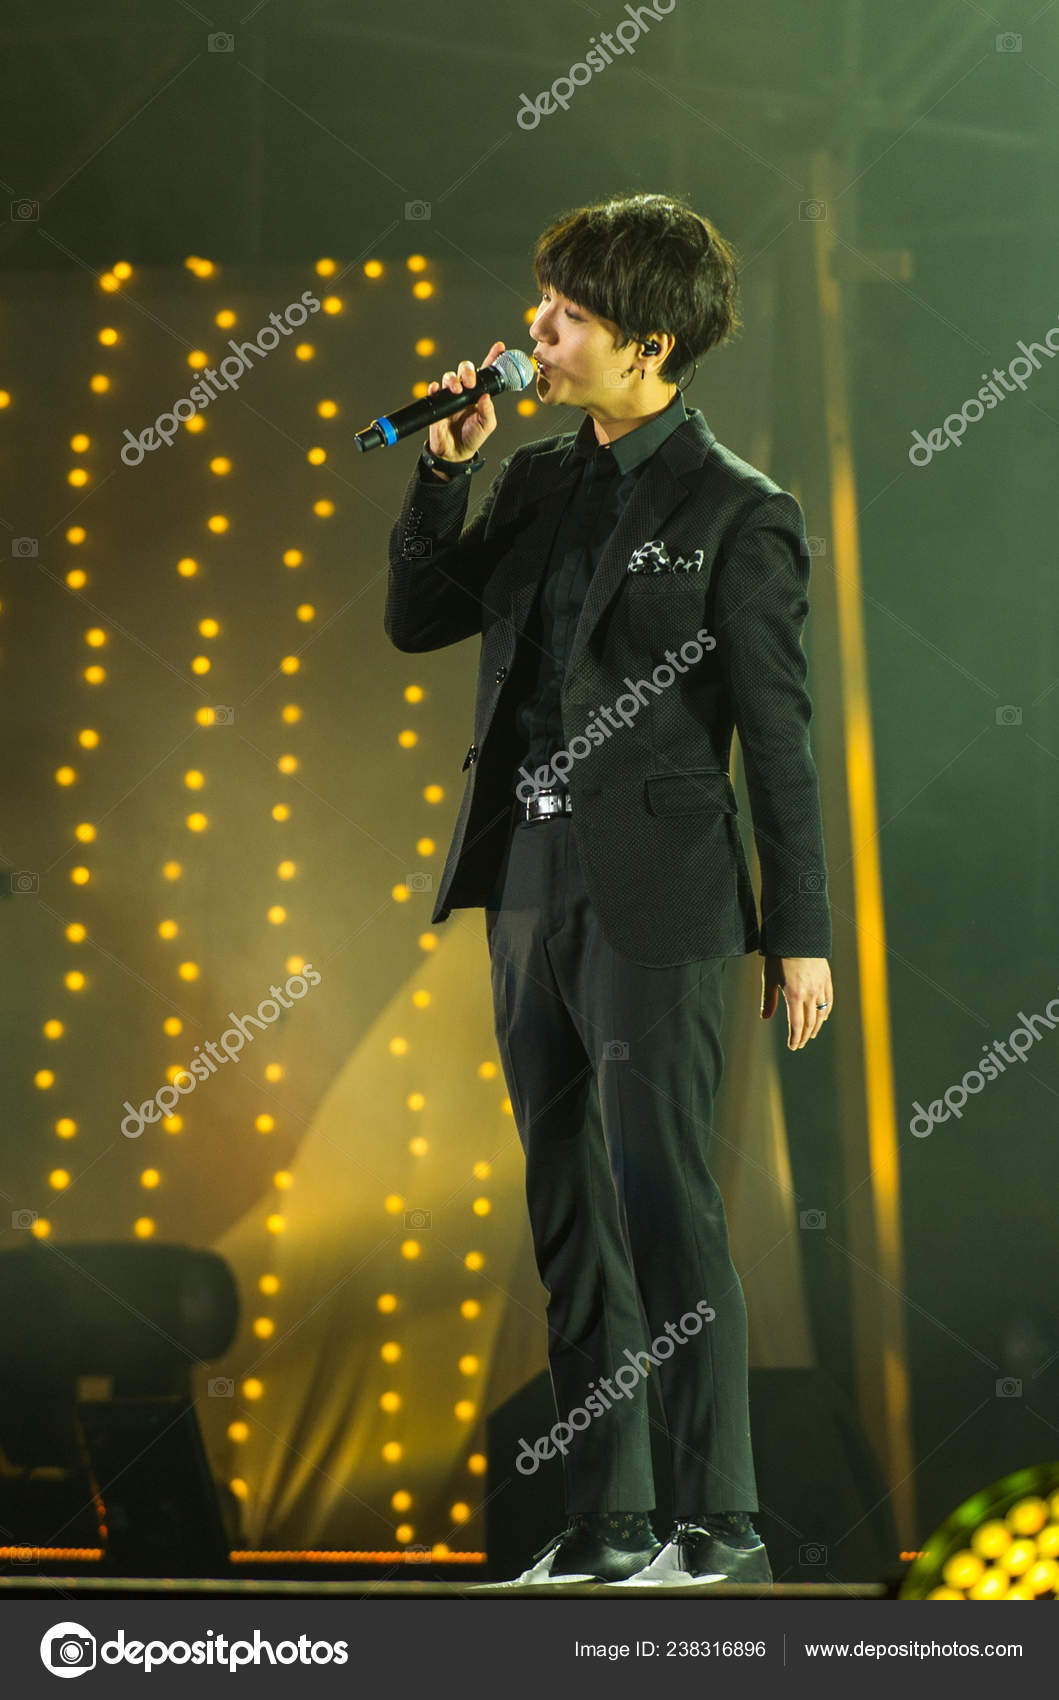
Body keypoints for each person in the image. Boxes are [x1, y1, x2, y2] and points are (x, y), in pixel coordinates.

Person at [384, 191, 833, 1589]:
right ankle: (608, 1525)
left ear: (648, 345)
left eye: (567, 314)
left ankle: (721, 1529)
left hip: (664, 895)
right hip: (528, 882)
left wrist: (800, 934)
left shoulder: (739, 510)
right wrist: (444, 472)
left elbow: (778, 738)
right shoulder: (534, 479)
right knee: (567, 1215)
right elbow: (417, 619)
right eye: (543, 304)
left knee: (666, 1206)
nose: (536, 331)